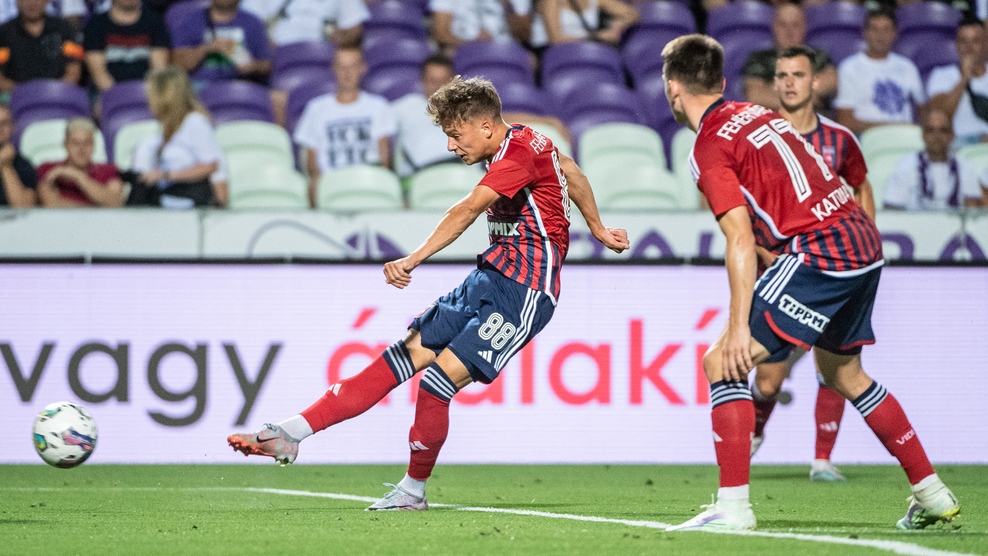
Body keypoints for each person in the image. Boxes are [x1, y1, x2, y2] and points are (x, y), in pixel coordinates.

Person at [228, 75, 630, 511]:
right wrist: (597, 228)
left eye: (456, 135)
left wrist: (414, 258)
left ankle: (412, 491)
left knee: (436, 383)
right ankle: (290, 433)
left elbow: (468, 209)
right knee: (398, 358)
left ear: (486, 127)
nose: (451, 146)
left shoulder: (516, 154)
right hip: (490, 277)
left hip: (525, 290)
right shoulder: (528, 141)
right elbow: (570, 170)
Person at [661, 34, 958, 532]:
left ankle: (733, 508)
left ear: (673, 87)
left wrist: (739, 327)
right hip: (862, 242)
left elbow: (739, 238)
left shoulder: (708, 145)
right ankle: (931, 492)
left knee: (721, 361)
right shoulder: (760, 114)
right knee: (846, 375)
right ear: (722, 82)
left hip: (821, 250)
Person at [747, 46, 877, 482]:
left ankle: (822, 459)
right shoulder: (759, 139)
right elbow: (739, 205)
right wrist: (759, 250)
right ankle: (756, 430)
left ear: (815, 82)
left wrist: (863, 240)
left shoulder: (840, 140)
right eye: (782, 75)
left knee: (834, 368)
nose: (789, 82)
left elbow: (861, 186)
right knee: (768, 380)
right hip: (778, 269)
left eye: (798, 74)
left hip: (830, 268)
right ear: (774, 83)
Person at [293, 47, 395, 207]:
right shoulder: (316, 109)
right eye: (342, 67)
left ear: (363, 68)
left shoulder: (378, 106)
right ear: (333, 69)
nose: (347, 73)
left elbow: (384, 160)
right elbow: (312, 166)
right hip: (332, 188)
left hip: (368, 185)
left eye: (353, 66)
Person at [129, 65, 228, 208]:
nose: (148, 100)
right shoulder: (169, 127)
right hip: (170, 196)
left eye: (151, 94)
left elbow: (210, 165)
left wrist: (165, 175)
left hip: (191, 198)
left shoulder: (195, 122)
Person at [834, 8, 925, 135]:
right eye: (874, 29)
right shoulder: (849, 67)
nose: (880, 36)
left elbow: (924, 113)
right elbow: (845, 122)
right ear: (865, 32)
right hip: (867, 139)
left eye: (886, 30)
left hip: (905, 139)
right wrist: (895, 127)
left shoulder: (908, 67)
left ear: (895, 33)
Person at [741, 4, 837, 114]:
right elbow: (755, 96)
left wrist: (774, 88)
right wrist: (804, 97)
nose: (789, 32)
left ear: (805, 27)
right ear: (774, 27)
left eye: (795, 25)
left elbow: (831, 81)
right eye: (783, 25)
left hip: (815, 120)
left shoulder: (819, 55)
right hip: (773, 121)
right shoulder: (758, 58)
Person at [884, 108, 987, 210]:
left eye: (943, 130)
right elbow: (891, 210)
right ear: (923, 135)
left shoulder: (965, 167)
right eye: (931, 130)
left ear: (952, 135)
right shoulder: (906, 166)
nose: (937, 136)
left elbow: (973, 212)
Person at [392, 54, 461, 182]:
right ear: (422, 80)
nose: (438, 87)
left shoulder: (468, 110)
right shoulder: (403, 107)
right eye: (432, 81)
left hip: (458, 179)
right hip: (416, 181)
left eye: (443, 81)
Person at [171, 0, 270, 86]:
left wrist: (253, 66)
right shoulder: (191, 21)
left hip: (241, 88)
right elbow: (175, 63)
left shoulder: (253, 23)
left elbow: (267, 65)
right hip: (200, 88)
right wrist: (206, 49)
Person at [82, 0, 171, 92]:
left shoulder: (155, 22)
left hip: (148, 93)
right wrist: (120, 96)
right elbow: (99, 74)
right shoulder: (95, 25)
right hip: (108, 94)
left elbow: (158, 69)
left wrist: (145, 94)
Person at [926, 17, 988, 148]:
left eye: (975, 41)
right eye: (963, 41)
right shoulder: (941, 75)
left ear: (984, 43)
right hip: (957, 146)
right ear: (957, 45)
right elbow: (940, 114)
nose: (969, 48)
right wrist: (964, 78)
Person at [0, 0, 83, 93]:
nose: (31, 3)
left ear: (46, 1)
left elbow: (74, 71)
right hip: (14, 95)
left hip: (59, 93)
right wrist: (26, 92)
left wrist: (51, 92)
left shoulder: (65, 29)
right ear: (17, 2)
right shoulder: (3, 32)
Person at [37, 118, 123, 207]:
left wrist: (77, 176)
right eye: (75, 143)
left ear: (94, 145)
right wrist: (98, 207)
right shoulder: (48, 169)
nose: (81, 149)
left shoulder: (108, 171)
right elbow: (52, 204)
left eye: (87, 143)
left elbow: (115, 204)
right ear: (65, 144)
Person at [239, 0, 368, 47]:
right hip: (276, 58)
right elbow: (246, 22)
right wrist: (263, 43)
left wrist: (342, 39)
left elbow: (354, 29)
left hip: (325, 56)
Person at [430, 0, 533, 54]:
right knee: (448, 53)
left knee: (529, 59)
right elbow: (441, 34)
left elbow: (524, 36)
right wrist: (473, 42)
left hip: (503, 48)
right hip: (462, 47)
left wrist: (508, 7)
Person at [529, 0, 639, 48]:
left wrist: (617, 25)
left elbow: (631, 14)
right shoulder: (551, 1)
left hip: (583, 48)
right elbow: (556, 39)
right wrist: (597, 37)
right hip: (551, 52)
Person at [0, 103, 35, 206]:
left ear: (13, 127)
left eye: (4, 123)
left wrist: (6, 166)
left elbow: (23, 207)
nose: (0, 128)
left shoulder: (24, 165)